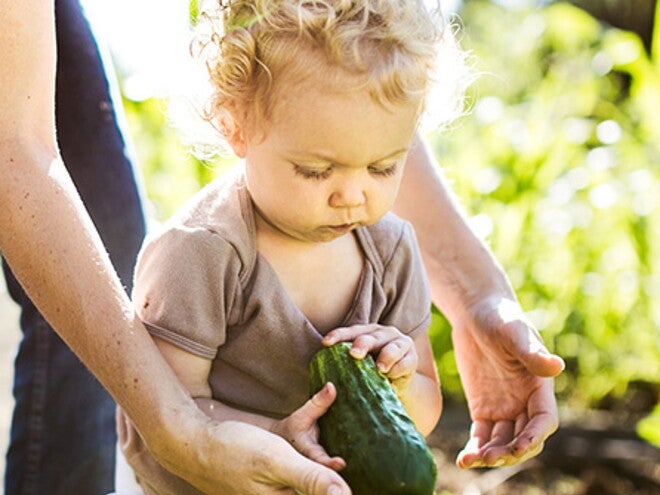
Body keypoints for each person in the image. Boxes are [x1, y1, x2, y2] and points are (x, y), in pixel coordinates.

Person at [0, 0, 563, 494]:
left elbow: (418, 411)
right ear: (235, 125)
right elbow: (171, 419)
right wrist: (276, 439)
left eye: (384, 165)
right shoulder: (201, 254)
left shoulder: (391, 250)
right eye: (317, 170)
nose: (353, 195)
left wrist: (402, 373)